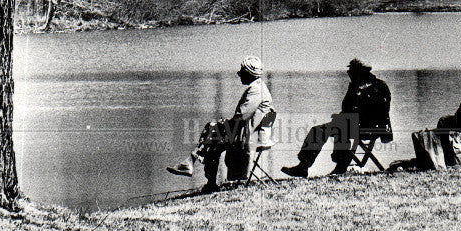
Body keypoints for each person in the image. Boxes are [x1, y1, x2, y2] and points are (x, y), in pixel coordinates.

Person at [167, 56, 274, 190]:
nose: (239, 74)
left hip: (250, 137)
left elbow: (241, 118)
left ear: (249, 73)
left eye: (242, 71)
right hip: (250, 133)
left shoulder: (256, 90)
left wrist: (225, 123)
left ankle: (195, 164)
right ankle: (195, 166)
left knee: (212, 133)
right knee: (213, 136)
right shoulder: (258, 88)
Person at [281, 58, 392, 178]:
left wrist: (346, 118)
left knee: (341, 129)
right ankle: (303, 166)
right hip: (355, 124)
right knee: (317, 130)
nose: (348, 73)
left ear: (360, 71)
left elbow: (377, 113)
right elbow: (347, 108)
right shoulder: (357, 85)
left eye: (351, 70)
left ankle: (341, 167)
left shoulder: (377, 87)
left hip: (373, 127)